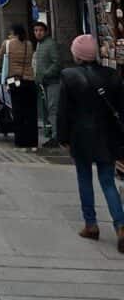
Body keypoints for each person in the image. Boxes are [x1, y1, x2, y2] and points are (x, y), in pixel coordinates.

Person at [57, 34, 124, 251]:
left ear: (76, 54)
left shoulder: (68, 76)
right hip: (107, 136)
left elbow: (63, 111)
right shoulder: (113, 75)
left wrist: (63, 137)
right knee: (107, 181)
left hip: (81, 136)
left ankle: (91, 224)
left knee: (84, 178)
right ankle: (121, 226)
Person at [0, 24, 37, 150]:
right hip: (29, 80)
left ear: (13, 33)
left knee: (18, 111)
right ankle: (33, 143)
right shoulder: (29, 44)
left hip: (15, 81)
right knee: (31, 113)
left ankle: (21, 142)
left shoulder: (8, 44)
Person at [33, 21, 62, 148]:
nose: (38, 33)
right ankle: (51, 134)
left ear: (46, 31)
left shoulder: (50, 44)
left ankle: (57, 136)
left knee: (53, 109)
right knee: (47, 110)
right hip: (43, 83)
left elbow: (57, 63)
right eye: (35, 30)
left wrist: (45, 74)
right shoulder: (39, 45)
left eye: (40, 30)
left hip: (53, 82)